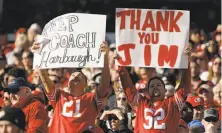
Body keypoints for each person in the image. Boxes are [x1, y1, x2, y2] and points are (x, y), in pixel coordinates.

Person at [31, 41, 111, 133]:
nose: (76, 76)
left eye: (81, 76)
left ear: (86, 84)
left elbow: (105, 84)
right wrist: (38, 56)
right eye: (73, 75)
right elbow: (44, 78)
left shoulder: (92, 98)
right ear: (68, 83)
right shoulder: (58, 95)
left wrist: (105, 58)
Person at [115, 47, 191, 133]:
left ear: (165, 90)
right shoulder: (141, 103)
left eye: (158, 85)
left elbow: (184, 86)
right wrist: (120, 64)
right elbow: (128, 88)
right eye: (151, 86)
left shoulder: (173, 103)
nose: (155, 87)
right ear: (148, 91)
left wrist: (187, 62)